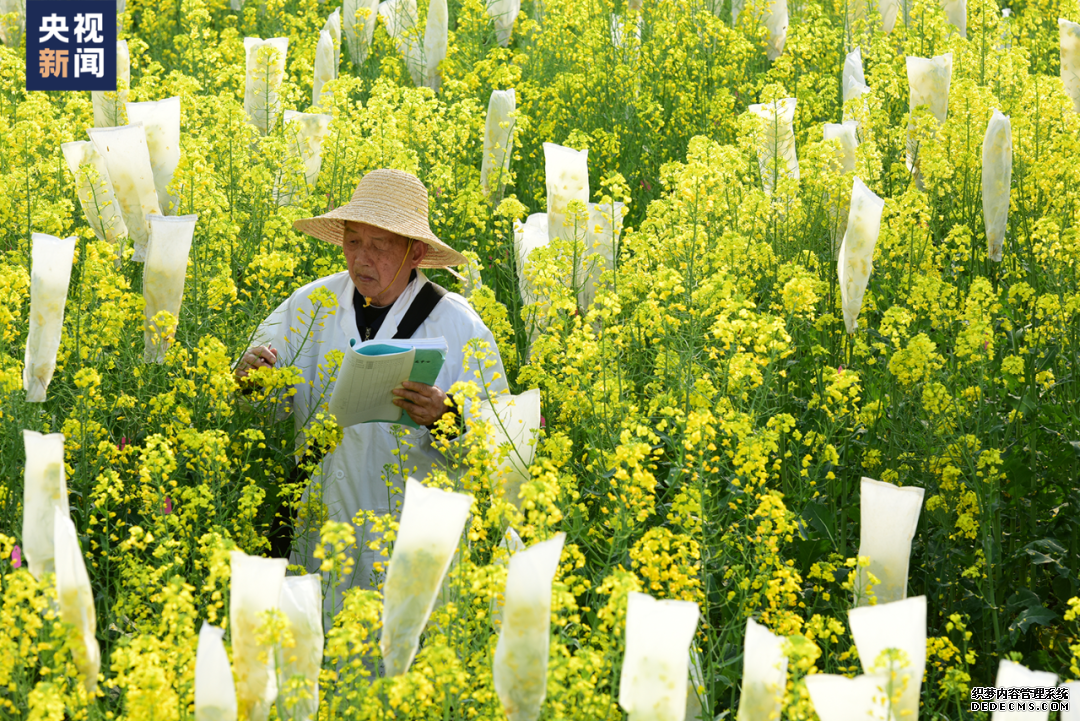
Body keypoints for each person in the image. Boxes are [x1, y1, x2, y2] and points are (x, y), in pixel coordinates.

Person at [234, 168, 508, 617]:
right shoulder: (310, 305)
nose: (362, 259)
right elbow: (263, 407)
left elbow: (502, 449)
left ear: (416, 252)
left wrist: (447, 417)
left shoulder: (460, 326)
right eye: (353, 241)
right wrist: (249, 380)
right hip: (322, 525)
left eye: (379, 245)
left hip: (411, 540)